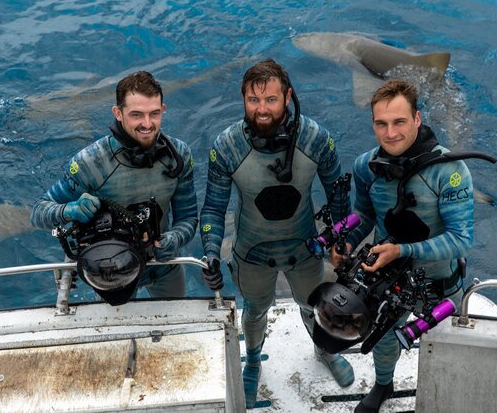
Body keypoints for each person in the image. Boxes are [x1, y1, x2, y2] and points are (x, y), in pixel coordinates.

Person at [199, 58, 354, 408]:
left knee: (312, 303)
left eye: (270, 99)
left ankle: (324, 350)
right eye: (253, 101)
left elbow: (339, 195)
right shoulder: (227, 146)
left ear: (287, 96)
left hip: (305, 249)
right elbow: (212, 209)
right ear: (243, 99)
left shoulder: (315, 139)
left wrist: (341, 240)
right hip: (251, 252)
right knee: (254, 310)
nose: (262, 109)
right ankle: (253, 361)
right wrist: (210, 251)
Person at [330, 79, 476, 412]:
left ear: (417, 119)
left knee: (446, 349)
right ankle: (384, 385)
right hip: (387, 281)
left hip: (441, 285)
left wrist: (402, 251)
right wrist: (345, 241)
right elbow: (363, 217)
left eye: (399, 122)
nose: (390, 132)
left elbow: (461, 240)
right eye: (381, 124)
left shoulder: (450, 171)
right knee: (382, 341)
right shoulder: (366, 167)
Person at [31, 71, 197, 302]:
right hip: (109, 272)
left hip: (163, 265)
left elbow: (188, 217)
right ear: (118, 113)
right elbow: (38, 212)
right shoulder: (91, 162)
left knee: (177, 323)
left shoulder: (178, 155)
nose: (147, 124)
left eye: (154, 114)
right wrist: (68, 210)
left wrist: (175, 239)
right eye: (136, 115)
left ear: (163, 110)